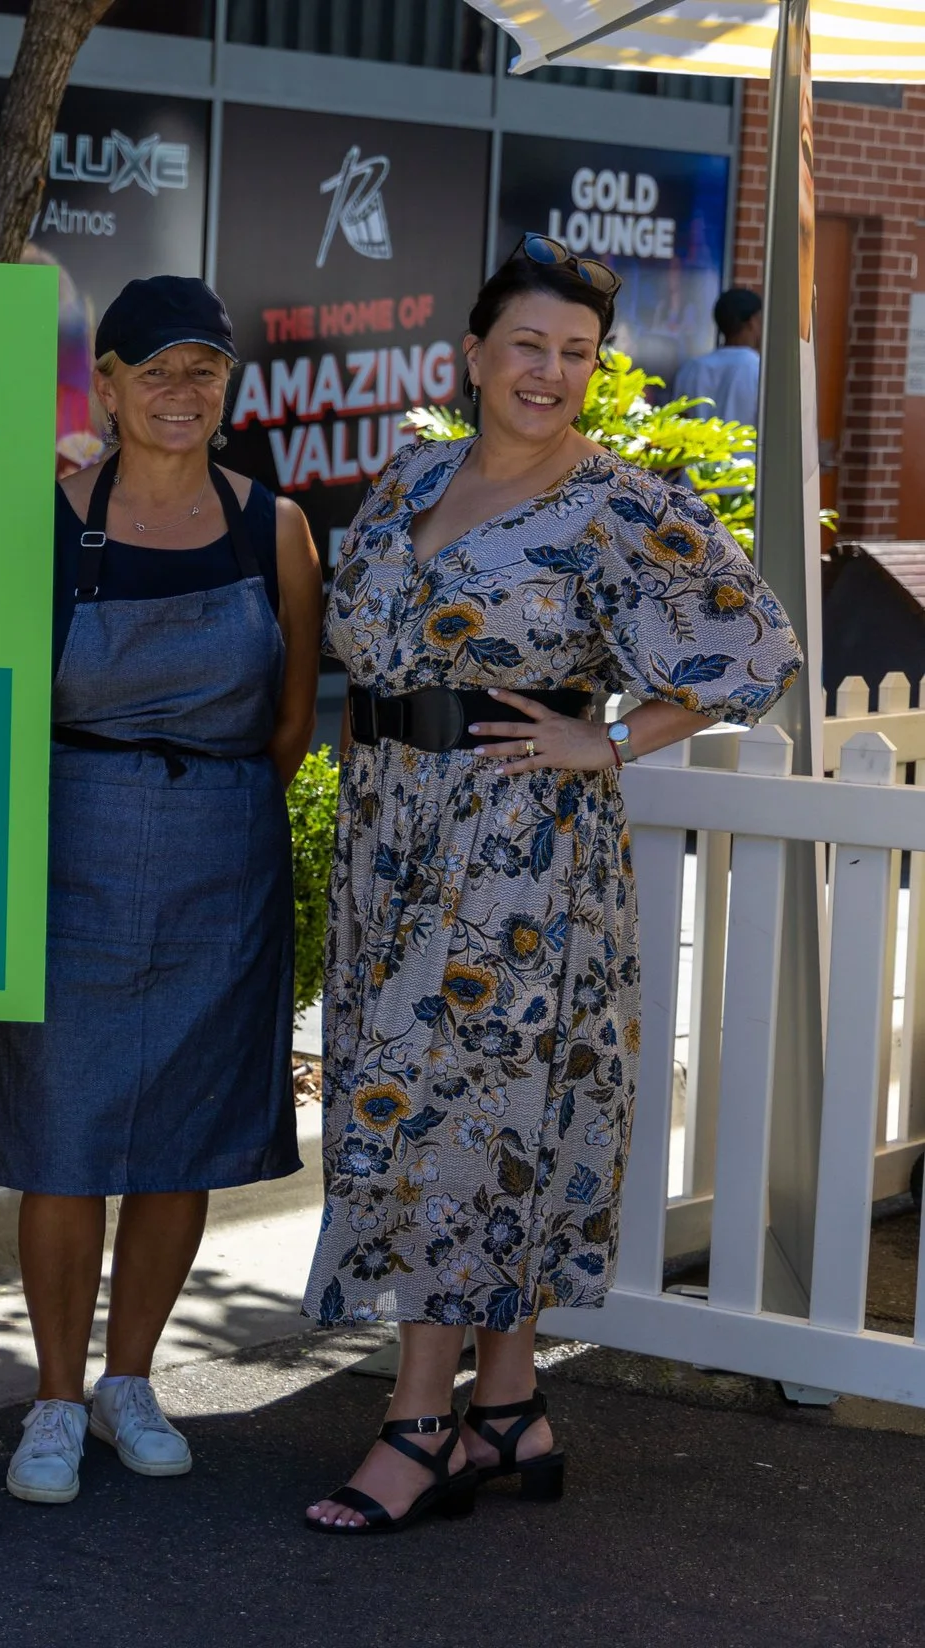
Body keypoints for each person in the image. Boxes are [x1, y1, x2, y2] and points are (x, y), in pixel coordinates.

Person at [302, 235, 801, 1534]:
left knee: (466, 1126)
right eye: (528, 344)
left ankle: (419, 1419)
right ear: (472, 353)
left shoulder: (619, 501)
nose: (550, 371)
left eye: (576, 353)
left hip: (520, 866)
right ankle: (509, 1402)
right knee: (457, 1113)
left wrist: (612, 736)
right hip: (393, 846)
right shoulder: (408, 476)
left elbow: (757, 647)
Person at [0, 277, 326, 1506]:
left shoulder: (271, 528)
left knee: (177, 1135)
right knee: (64, 1137)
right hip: (69, 851)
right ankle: (55, 1396)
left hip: (219, 862)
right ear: (111, 386)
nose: (183, 393)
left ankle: (133, 1380)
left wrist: (206, 808)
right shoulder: (47, 517)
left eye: (206, 371)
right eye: (158, 371)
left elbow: (288, 720)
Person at [671, 287, 761, 428]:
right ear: (752, 321)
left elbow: (678, 422)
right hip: (747, 450)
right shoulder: (758, 369)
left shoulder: (692, 369)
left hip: (698, 450)